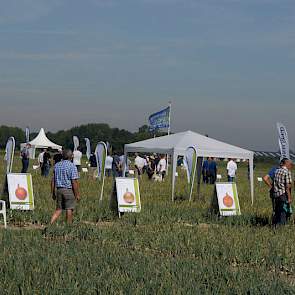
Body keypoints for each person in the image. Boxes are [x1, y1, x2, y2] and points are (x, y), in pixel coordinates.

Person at [50, 149, 80, 224]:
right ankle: (68, 226)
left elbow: (53, 180)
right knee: (69, 209)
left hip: (59, 190)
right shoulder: (72, 166)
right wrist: (77, 194)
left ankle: (50, 224)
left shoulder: (57, 165)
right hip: (68, 190)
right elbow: (74, 182)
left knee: (58, 209)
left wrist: (53, 193)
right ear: (71, 156)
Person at [273, 158, 293, 226]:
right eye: (290, 164)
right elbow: (287, 186)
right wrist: (289, 198)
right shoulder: (287, 172)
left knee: (277, 211)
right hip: (283, 194)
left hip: (276, 194)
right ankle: (280, 227)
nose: (291, 165)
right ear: (286, 163)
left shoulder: (277, 171)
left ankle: (275, 225)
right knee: (283, 211)